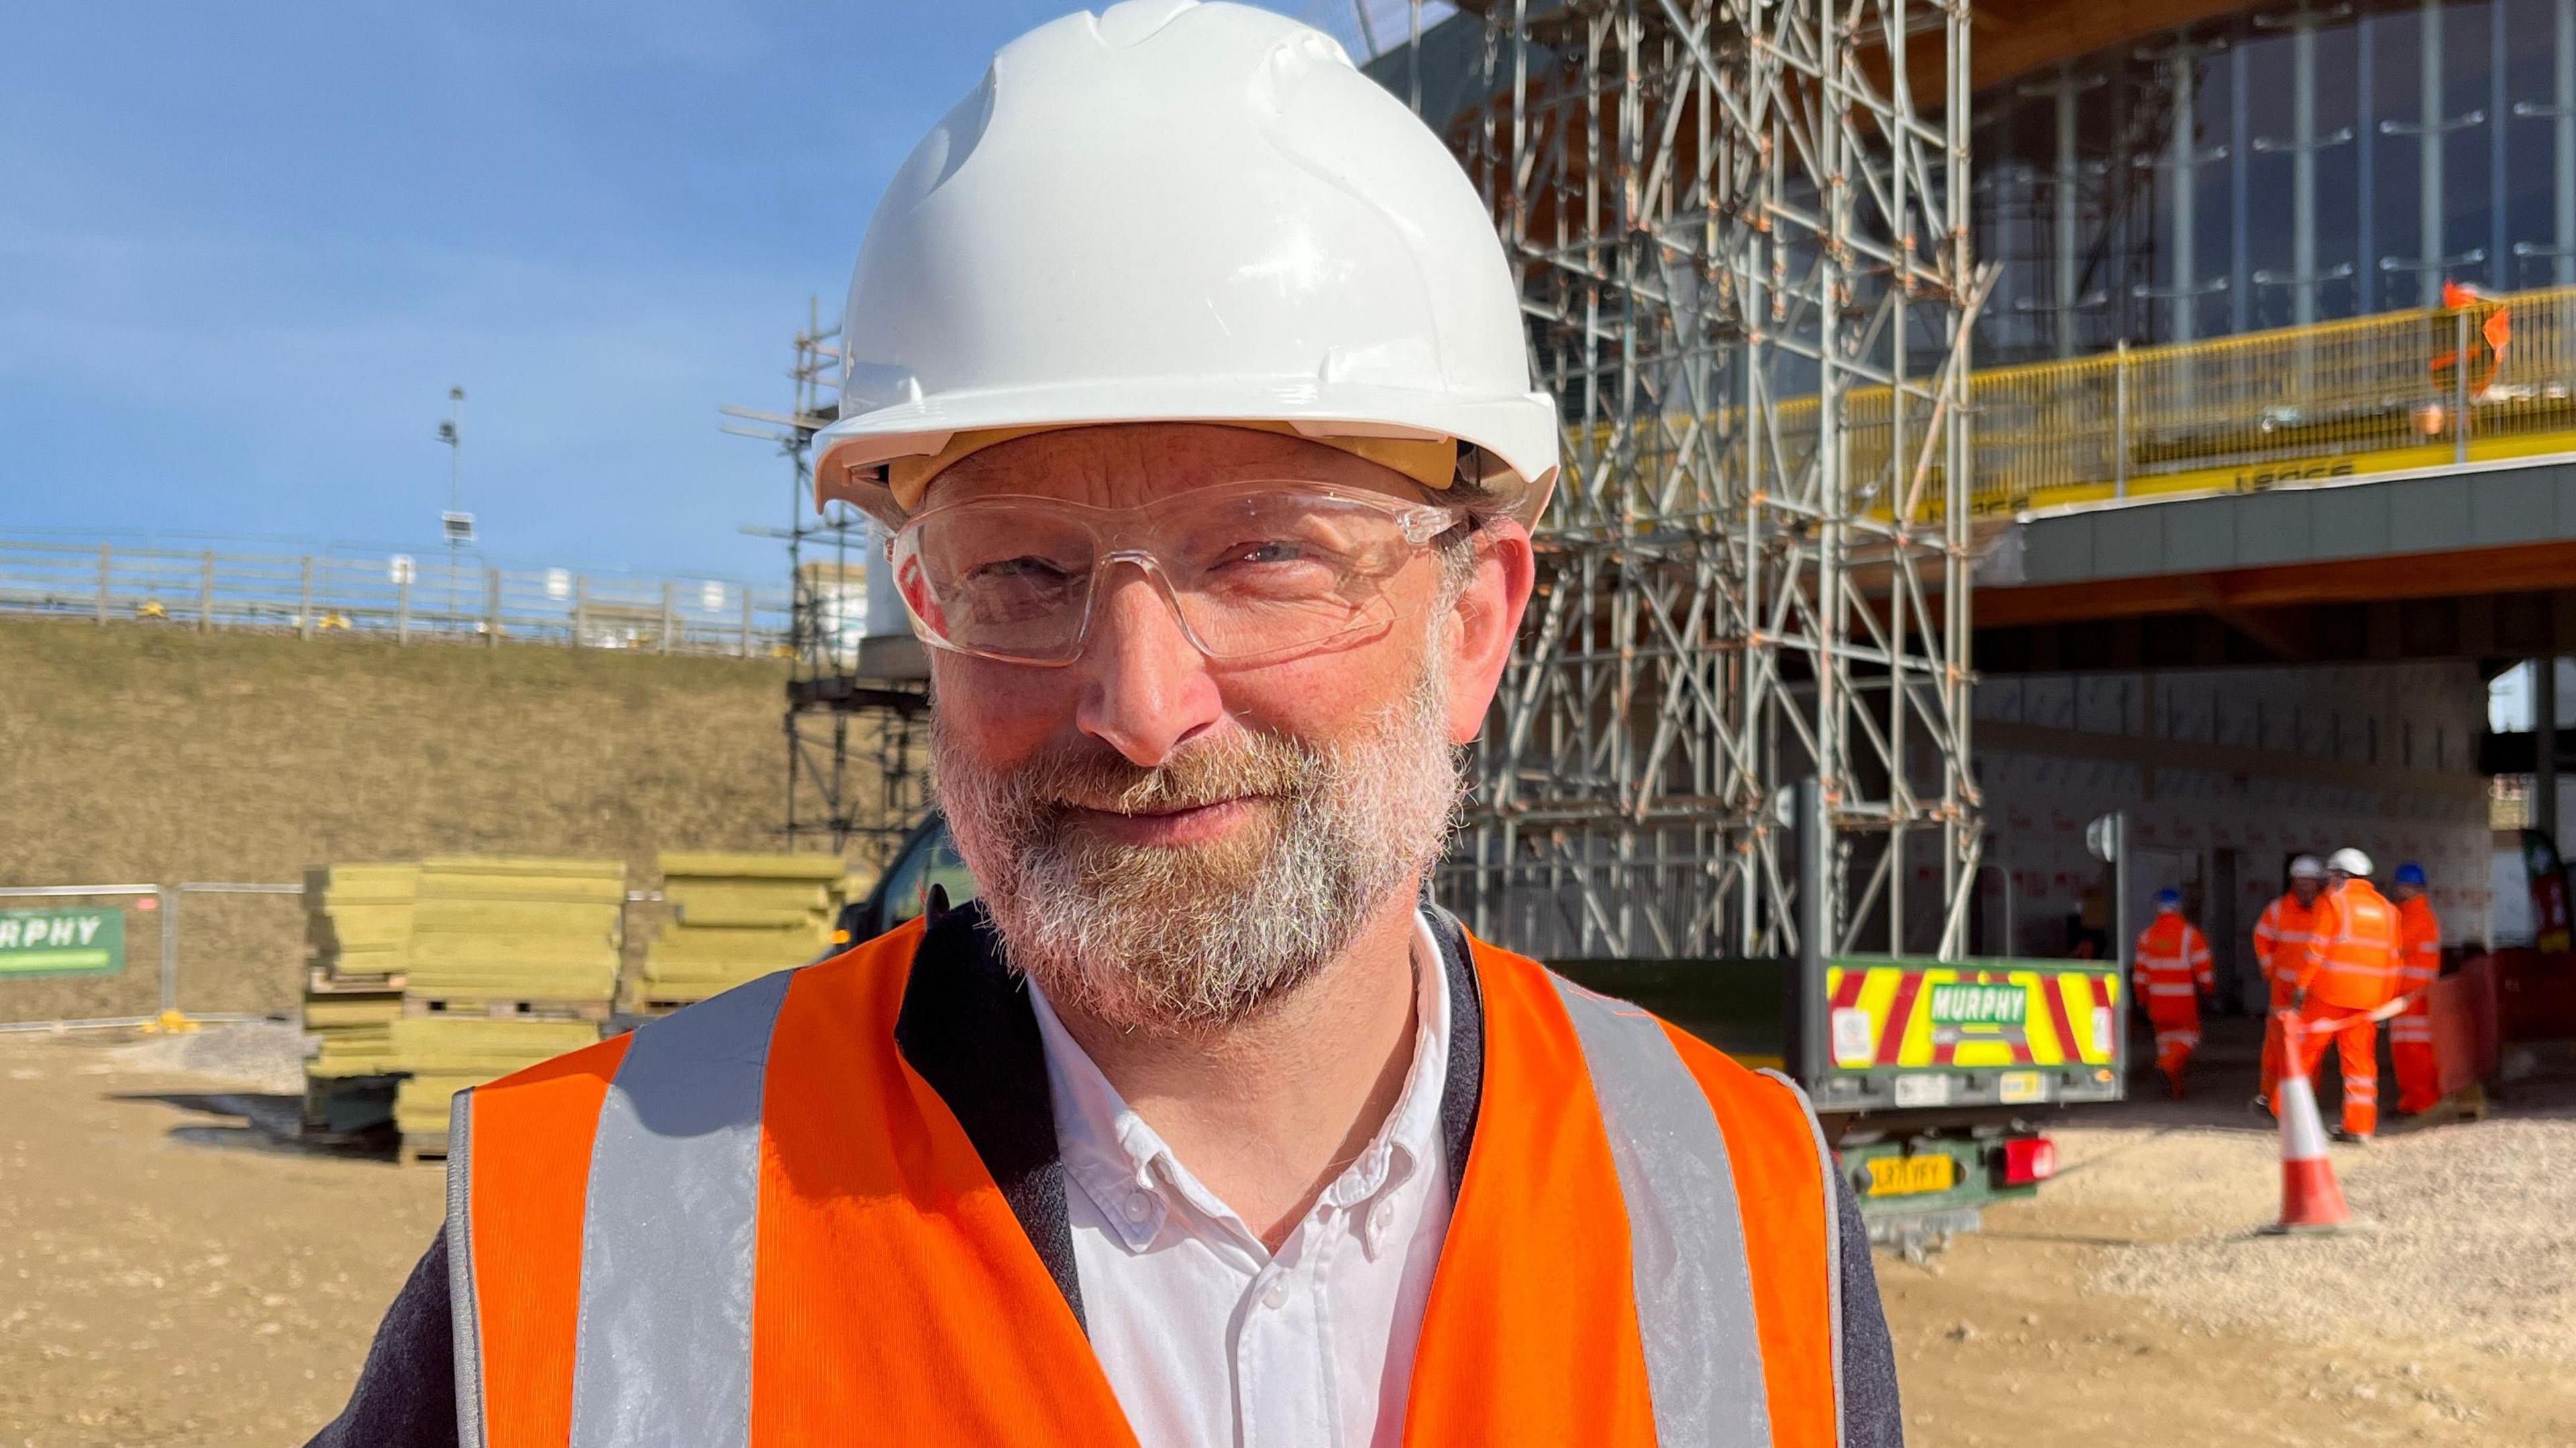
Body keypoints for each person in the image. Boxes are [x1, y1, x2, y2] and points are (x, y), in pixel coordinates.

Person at [306, 5, 1901, 1445]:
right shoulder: (602, 1230)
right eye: (1017, 565)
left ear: (1473, 622)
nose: (1139, 707)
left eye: (1267, 554)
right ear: (925, 608)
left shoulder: (1742, 1213)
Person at [2290, 847, 2402, 1143]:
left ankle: (2288, 1116)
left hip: (2329, 996)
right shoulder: (2389, 911)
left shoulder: (2333, 904)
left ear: (2341, 877)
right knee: (2361, 1067)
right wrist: (2384, 1006)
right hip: (2368, 1003)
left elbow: (2316, 950)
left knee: (2303, 1054)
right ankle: (2359, 1128)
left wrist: (2301, 986)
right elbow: (2393, 963)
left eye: (2331, 877)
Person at [2249, 855, 2326, 1113]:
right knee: (2275, 1046)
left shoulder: (2328, 910)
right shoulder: (2278, 909)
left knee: (2308, 1046)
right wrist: (2271, 969)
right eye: (2300, 882)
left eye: (2310, 882)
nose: (2305, 887)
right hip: (2282, 992)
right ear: (2293, 882)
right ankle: (2269, 1096)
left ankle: (2304, 1099)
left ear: (2318, 883)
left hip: (2313, 990)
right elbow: (2261, 938)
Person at [2133, 889, 2215, 1099]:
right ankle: (2164, 1067)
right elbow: (2204, 968)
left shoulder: (2146, 937)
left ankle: (2175, 1091)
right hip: (2182, 1003)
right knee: (2189, 1039)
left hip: (2156, 1005)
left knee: (2166, 1045)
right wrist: (2209, 989)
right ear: (2179, 908)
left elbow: (2140, 976)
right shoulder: (2190, 935)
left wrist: (2142, 999)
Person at [2388, 861, 2445, 1115]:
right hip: (2404, 997)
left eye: (2405, 885)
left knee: (2417, 1053)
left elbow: (2395, 945)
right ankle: (2411, 1101)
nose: (2400, 890)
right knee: (2404, 1053)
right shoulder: (2405, 914)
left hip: (2417, 997)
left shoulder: (2419, 916)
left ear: (2415, 888)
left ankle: (2424, 1101)